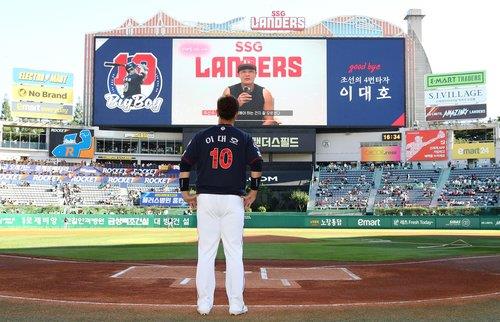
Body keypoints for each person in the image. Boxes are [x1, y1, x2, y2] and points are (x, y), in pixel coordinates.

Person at [179, 95, 263, 316]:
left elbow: (185, 162)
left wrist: (184, 191)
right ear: (236, 113)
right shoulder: (243, 137)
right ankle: (235, 305)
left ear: (217, 111)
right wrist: (253, 191)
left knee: (206, 253)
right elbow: (257, 163)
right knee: (234, 253)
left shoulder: (201, 136)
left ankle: (204, 304)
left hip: (206, 199)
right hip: (233, 200)